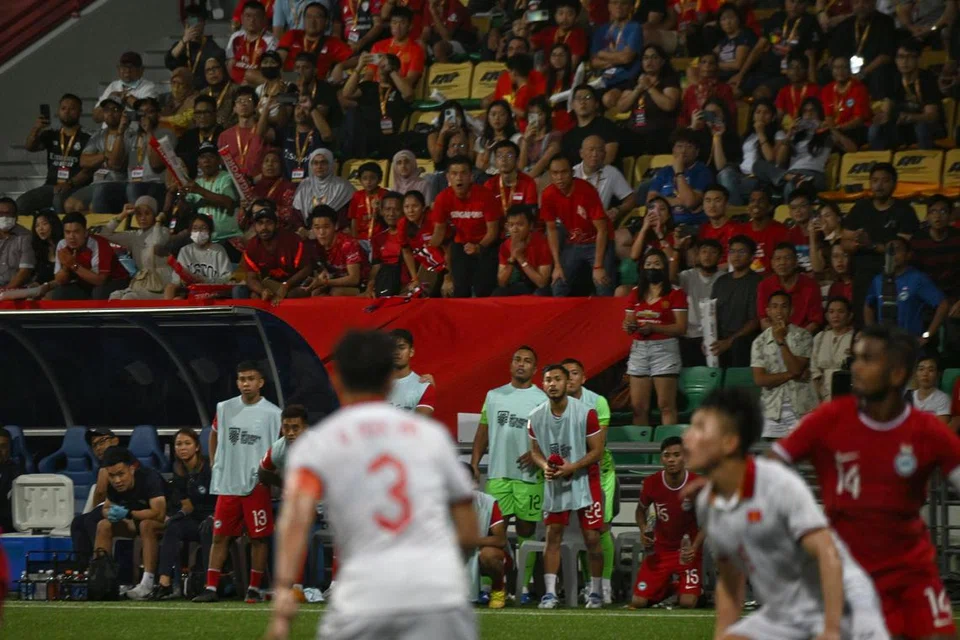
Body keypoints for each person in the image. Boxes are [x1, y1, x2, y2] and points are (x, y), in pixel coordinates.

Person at [264, 330, 478, 640]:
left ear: (337, 381)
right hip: (437, 597)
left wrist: (284, 591)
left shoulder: (319, 444)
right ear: (390, 381)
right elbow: (468, 532)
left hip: (364, 596)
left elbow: (295, 519)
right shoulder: (432, 437)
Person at [772, 324, 960, 638]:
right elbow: (770, 468)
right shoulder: (829, 418)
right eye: (855, 358)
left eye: (868, 359)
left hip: (911, 573)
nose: (856, 367)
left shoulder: (927, 431)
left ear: (897, 374)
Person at [686, 389, 889, 640]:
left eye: (699, 427)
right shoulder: (707, 504)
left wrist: (831, 630)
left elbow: (828, 554)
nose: (687, 437)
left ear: (730, 443)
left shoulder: (777, 483)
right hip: (784, 613)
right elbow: (730, 584)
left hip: (843, 602)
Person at [194, 361, 281, 604]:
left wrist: (272, 475)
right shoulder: (225, 408)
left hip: (256, 484)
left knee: (258, 538)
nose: (246, 383)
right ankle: (211, 588)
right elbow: (214, 434)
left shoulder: (274, 414)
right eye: (242, 379)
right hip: (229, 484)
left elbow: (280, 447)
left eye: (251, 379)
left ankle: (253, 588)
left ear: (261, 382)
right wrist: (214, 462)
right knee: (219, 536)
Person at [470, 346, 548, 604]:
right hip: (498, 474)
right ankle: (488, 587)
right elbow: (483, 431)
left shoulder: (542, 399)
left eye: (527, 361)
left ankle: (523, 587)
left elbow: (551, 434)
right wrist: (474, 463)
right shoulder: (494, 396)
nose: (521, 364)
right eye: (517, 360)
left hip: (529, 477)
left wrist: (538, 454)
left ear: (535, 369)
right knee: (492, 532)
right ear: (511, 365)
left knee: (526, 530)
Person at [527, 364, 605, 609]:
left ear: (567, 382)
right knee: (553, 535)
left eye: (557, 379)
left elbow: (598, 451)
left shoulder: (586, 413)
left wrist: (574, 466)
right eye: (548, 379)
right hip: (556, 481)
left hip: (585, 480)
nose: (552, 384)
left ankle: (596, 591)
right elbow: (534, 451)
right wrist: (544, 466)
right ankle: (550, 593)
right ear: (542, 385)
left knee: (592, 537)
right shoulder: (535, 417)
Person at [560, 358, 615, 603]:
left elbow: (597, 446)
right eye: (566, 374)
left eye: (575, 373)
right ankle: (589, 585)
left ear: (583, 378)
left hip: (599, 472)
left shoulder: (597, 402)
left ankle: (605, 586)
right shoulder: (553, 403)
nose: (570, 378)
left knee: (601, 528)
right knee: (582, 529)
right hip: (570, 472)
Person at [841, 163, 920, 325]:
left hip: (893, 278)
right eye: (875, 180)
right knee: (863, 326)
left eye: (885, 180)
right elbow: (844, 242)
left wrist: (870, 245)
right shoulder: (860, 208)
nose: (879, 185)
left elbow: (900, 251)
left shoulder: (904, 211)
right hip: (862, 277)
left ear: (894, 184)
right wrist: (856, 244)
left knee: (889, 326)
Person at [630, 436, 702, 610]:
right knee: (638, 602)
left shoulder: (696, 484)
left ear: (685, 457)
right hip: (660, 550)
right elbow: (640, 511)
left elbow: (709, 521)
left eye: (677, 455)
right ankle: (673, 589)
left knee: (687, 603)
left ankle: (692, 591)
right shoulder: (651, 483)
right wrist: (643, 529)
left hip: (686, 552)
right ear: (661, 458)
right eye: (667, 455)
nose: (671, 460)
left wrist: (694, 547)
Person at [624, 248, 688, 426]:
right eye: (648, 264)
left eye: (657, 264)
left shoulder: (676, 293)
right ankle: (642, 444)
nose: (652, 268)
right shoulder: (635, 293)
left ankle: (669, 442)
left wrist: (653, 327)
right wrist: (628, 325)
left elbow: (681, 328)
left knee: (666, 406)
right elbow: (629, 320)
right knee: (638, 407)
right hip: (639, 350)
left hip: (665, 349)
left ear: (664, 268)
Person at [94, 446, 166, 601]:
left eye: (121, 474)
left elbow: (159, 514)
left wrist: (128, 514)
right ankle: (102, 580)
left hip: (167, 523)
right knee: (103, 525)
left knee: (146, 525)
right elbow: (105, 508)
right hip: (136, 522)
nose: (117, 480)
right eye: (112, 476)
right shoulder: (113, 486)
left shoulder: (149, 478)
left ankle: (147, 583)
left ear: (132, 469)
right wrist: (109, 513)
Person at [151, 428, 215, 600]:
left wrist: (213, 516)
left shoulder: (209, 467)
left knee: (207, 529)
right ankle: (164, 583)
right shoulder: (178, 469)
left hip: (216, 517)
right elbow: (188, 506)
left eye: (187, 443)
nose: (183, 447)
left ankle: (209, 585)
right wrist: (177, 516)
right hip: (196, 517)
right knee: (173, 527)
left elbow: (223, 497)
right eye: (179, 444)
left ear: (197, 447)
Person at [542, 155, 614, 297]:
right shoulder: (548, 194)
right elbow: (551, 229)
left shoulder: (586, 191)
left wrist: (598, 266)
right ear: (550, 174)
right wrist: (557, 265)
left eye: (564, 172)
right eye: (555, 173)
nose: (559, 177)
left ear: (572, 172)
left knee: (602, 283)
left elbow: (602, 230)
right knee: (558, 283)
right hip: (575, 241)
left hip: (598, 241)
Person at [428, 155, 500, 298]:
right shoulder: (442, 198)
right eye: (454, 174)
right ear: (448, 177)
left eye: (463, 173)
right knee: (460, 290)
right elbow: (439, 232)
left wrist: (479, 247)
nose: (459, 178)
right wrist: (427, 250)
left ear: (471, 176)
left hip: (486, 245)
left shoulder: (485, 196)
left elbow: (493, 231)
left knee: (483, 290)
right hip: (461, 245)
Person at [752, 290, 817, 438]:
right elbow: (760, 379)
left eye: (784, 306)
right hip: (771, 411)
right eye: (774, 307)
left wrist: (781, 341)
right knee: (771, 451)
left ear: (791, 310)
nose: (779, 311)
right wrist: (792, 374)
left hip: (801, 409)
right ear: (768, 311)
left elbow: (796, 368)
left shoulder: (803, 336)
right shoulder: (759, 342)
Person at [731, 0, 823, 97]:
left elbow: (811, 56)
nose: (794, 6)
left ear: (806, 4)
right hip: (764, 70)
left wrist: (812, 86)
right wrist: (741, 74)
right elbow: (759, 48)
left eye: (800, 2)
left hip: (788, 75)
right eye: (791, 1)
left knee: (760, 93)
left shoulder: (810, 22)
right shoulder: (777, 17)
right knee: (732, 91)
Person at [18, 93, 91, 215]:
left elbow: (88, 170)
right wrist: (36, 128)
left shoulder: (87, 137)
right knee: (21, 203)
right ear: (58, 111)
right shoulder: (51, 134)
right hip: (51, 186)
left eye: (72, 108)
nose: (67, 112)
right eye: (63, 108)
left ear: (80, 112)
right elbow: (30, 147)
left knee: (58, 199)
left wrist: (69, 184)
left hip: (76, 187)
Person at [865, 236, 948, 341]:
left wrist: (926, 336)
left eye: (898, 250)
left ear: (908, 255)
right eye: (889, 251)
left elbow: (943, 305)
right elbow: (868, 305)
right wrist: (872, 335)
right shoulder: (878, 279)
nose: (893, 254)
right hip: (885, 343)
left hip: (908, 343)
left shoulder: (917, 278)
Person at [870, 40, 945, 150]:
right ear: (896, 60)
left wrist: (911, 117)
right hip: (904, 126)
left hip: (929, 126)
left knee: (921, 128)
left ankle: (926, 158)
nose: (904, 61)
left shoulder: (928, 79)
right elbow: (887, 107)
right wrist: (882, 116)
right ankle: (882, 158)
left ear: (918, 59)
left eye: (910, 57)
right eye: (901, 57)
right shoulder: (893, 79)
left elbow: (931, 116)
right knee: (875, 129)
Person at [340, 52, 414, 159]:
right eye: (380, 66)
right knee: (352, 113)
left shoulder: (400, 89)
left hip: (388, 135)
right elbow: (347, 93)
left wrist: (391, 71)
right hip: (364, 132)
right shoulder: (369, 86)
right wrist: (360, 66)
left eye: (384, 65)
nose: (381, 68)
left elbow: (408, 95)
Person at [614, 45, 682, 156]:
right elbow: (621, 107)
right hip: (634, 130)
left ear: (662, 61)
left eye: (654, 57)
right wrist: (638, 89)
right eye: (645, 58)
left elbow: (669, 105)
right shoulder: (635, 80)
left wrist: (649, 87)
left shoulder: (669, 80)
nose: (649, 61)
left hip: (659, 131)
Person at [238, 201, 312, 303]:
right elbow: (251, 278)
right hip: (271, 284)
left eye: (268, 222)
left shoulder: (292, 240)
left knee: (293, 294)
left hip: (294, 283)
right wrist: (262, 291)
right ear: (255, 226)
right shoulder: (252, 246)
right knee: (254, 295)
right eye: (260, 223)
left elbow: (307, 268)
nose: (264, 227)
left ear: (276, 225)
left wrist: (286, 285)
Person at [100, 197, 173, 301]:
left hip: (161, 281)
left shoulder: (163, 230)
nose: (142, 218)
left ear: (154, 215)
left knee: (129, 298)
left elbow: (157, 244)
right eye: (138, 214)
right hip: (142, 281)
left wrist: (158, 222)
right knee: (115, 296)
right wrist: (123, 214)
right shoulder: (134, 236)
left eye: (147, 213)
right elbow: (104, 234)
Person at [48, 212, 129, 300]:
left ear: (85, 232)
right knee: (59, 293)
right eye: (67, 232)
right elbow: (60, 280)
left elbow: (100, 280)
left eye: (76, 232)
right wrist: (65, 268)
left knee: (98, 293)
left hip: (115, 280)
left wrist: (73, 265)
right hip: (86, 282)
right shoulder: (62, 245)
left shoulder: (99, 244)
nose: (71, 237)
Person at [110, 97, 176, 205]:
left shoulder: (166, 134)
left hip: (156, 183)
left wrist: (149, 132)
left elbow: (156, 165)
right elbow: (115, 165)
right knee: (105, 190)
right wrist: (120, 131)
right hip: (132, 182)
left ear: (158, 114)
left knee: (132, 187)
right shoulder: (131, 135)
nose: (145, 116)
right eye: (141, 112)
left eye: (150, 112)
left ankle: (136, 216)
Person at [69, 429, 120, 564]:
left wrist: (96, 508)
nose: (98, 448)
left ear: (115, 440)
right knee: (78, 522)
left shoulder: (118, 456)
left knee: (92, 519)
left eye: (102, 442)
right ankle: (83, 567)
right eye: (94, 445)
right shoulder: (107, 462)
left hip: (130, 506)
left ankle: (102, 565)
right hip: (114, 505)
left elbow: (101, 491)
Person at [710, 234, 762, 368]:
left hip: (744, 343)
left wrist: (729, 342)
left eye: (741, 252)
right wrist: (708, 339)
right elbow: (711, 313)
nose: (736, 256)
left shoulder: (757, 282)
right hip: (719, 341)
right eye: (732, 251)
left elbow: (755, 320)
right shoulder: (721, 281)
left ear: (752, 257)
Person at [827, 0, 895, 99]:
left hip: (872, 68)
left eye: (865, 2)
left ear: (874, 3)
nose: (861, 6)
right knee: (825, 72)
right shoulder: (845, 24)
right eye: (856, 2)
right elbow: (836, 53)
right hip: (846, 69)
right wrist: (843, 70)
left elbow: (885, 55)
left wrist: (863, 73)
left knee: (881, 73)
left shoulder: (885, 22)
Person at [70, 98, 127, 215]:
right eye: (107, 110)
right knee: (70, 205)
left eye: (115, 109)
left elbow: (115, 164)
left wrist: (97, 158)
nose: (110, 113)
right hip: (97, 182)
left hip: (118, 182)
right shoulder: (98, 135)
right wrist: (105, 155)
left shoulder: (129, 134)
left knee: (93, 205)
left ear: (123, 112)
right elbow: (84, 161)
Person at [647, 129, 713, 229]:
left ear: (697, 152)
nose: (683, 151)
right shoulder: (665, 171)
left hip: (691, 225)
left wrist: (679, 173)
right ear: (673, 150)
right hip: (663, 224)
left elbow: (689, 202)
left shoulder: (703, 172)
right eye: (679, 146)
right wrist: (680, 201)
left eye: (689, 147)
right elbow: (650, 200)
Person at [183, 142, 241, 245]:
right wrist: (180, 196)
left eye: (211, 156)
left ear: (219, 160)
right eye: (202, 157)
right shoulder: (197, 182)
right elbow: (184, 211)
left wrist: (200, 190)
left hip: (229, 239)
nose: (206, 160)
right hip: (204, 240)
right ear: (198, 163)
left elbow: (228, 203)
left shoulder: (227, 178)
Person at [757, 243, 824, 333]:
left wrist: (796, 337)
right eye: (778, 259)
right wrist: (779, 336)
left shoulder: (811, 285)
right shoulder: (764, 285)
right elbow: (764, 320)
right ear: (772, 263)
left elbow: (815, 322)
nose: (782, 262)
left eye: (787, 258)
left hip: (803, 335)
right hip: (774, 335)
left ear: (796, 262)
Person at [165, 213, 233, 299]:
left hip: (213, 292)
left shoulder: (218, 250)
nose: (199, 232)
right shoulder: (185, 250)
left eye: (203, 228)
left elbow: (228, 278)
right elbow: (176, 279)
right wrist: (182, 281)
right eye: (195, 228)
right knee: (171, 291)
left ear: (210, 231)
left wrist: (205, 281)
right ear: (190, 231)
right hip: (191, 291)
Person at [589, 0, 642, 110]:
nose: (619, 6)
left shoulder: (635, 27)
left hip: (626, 79)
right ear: (609, 6)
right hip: (603, 79)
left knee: (608, 99)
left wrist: (602, 54)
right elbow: (594, 62)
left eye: (624, 3)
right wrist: (617, 58)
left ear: (631, 7)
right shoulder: (601, 30)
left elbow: (626, 58)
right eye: (615, 2)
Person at [306, 205, 370, 296]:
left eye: (326, 227)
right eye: (317, 228)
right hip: (334, 281)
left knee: (336, 292)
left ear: (336, 226)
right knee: (315, 293)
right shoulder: (315, 245)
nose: (321, 232)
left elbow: (354, 279)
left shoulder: (348, 244)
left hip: (362, 285)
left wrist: (324, 282)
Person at [679, 239, 723, 366]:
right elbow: (671, 278)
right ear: (698, 255)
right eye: (704, 252)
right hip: (689, 336)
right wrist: (676, 250)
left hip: (715, 336)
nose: (707, 256)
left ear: (720, 257)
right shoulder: (687, 276)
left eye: (713, 252)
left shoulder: (724, 278)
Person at [276, 2, 354, 76]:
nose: (312, 21)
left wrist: (340, 66)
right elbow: (278, 60)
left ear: (326, 22)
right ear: (303, 20)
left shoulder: (333, 43)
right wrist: (291, 78)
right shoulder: (293, 35)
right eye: (308, 17)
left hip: (319, 83)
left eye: (317, 17)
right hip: (289, 80)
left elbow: (356, 59)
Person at [911, 194, 960, 305]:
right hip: (926, 295)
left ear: (950, 215)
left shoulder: (957, 238)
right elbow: (914, 272)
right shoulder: (918, 239)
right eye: (933, 211)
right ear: (927, 216)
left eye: (943, 211)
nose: (938, 216)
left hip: (954, 295)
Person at [573, 136, 636, 221]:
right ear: (581, 153)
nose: (595, 154)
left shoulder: (611, 173)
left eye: (599, 150)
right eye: (591, 149)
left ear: (604, 154)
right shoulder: (572, 173)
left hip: (599, 223)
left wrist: (617, 210)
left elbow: (631, 199)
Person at [495, 205, 552, 297]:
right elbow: (502, 282)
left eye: (520, 225)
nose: (515, 229)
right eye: (511, 225)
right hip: (520, 284)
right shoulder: (505, 246)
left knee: (541, 293)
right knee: (498, 293)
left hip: (538, 286)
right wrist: (512, 258)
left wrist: (520, 258)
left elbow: (542, 283)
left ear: (531, 226)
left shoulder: (543, 244)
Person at [273, 94, 331, 183]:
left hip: (313, 185)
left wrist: (312, 108)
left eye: (305, 108)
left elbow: (327, 135)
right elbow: (260, 134)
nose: (301, 111)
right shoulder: (287, 132)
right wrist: (266, 109)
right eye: (298, 108)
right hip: (288, 186)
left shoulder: (318, 133)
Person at [165, 5, 226, 89]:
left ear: (204, 23)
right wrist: (184, 40)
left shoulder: (210, 46)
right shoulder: (181, 45)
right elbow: (169, 62)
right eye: (192, 21)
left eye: (198, 21)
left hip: (204, 89)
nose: (195, 25)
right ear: (185, 24)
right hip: (184, 89)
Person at [399, 190, 447, 295]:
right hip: (426, 262)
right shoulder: (402, 224)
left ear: (423, 207)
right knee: (416, 290)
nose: (410, 211)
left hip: (445, 260)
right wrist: (414, 278)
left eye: (415, 206)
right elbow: (406, 252)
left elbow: (447, 246)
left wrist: (449, 277)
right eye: (406, 207)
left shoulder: (432, 218)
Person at [560, 85, 620, 167]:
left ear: (596, 104)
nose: (582, 102)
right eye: (578, 98)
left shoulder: (607, 126)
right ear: (572, 105)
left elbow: (608, 158)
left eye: (587, 98)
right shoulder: (568, 137)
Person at [820, 55, 872, 148]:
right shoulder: (827, 89)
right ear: (832, 70)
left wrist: (839, 129)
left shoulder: (859, 88)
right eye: (836, 68)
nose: (840, 71)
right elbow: (829, 116)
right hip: (835, 130)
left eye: (844, 67)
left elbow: (858, 120)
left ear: (850, 69)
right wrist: (835, 131)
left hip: (855, 129)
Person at [94, 51, 160, 122]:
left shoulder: (149, 87)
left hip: (133, 129)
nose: (127, 70)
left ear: (141, 70)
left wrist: (127, 98)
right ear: (118, 69)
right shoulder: (113, 86)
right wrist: (109, 99)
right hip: (109, 129)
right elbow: (96, 118)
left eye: (131, 67)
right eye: (123, 66)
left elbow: (149, 116)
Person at [810, 296, 855, 401]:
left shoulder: (855, 337)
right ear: (826, 316)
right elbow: (814, 369)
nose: (836, 316)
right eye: (831, 312)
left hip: (848, 394)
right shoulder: (820, 337)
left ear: (849, 315)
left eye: (841, 311)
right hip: (822, 394)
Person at [292, 149, 355, 223]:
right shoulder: (305, 185)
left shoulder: (343, 186)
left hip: (336, 228)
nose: (319, 166)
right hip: (306, 228)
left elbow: (349, 214)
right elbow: (296, 213)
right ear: (310, 165)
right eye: (315, 163)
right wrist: (301, 227)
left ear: (330, 164)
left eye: (323, 162)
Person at [369, 6, 426, 87]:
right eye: (394, 23)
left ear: (410, 26)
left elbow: (409, 81)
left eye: (402, 23)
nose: (397, 27)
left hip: (398, 91)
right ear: (390, 24)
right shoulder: (378, 46)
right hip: (376, 90)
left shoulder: (417, 50)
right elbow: (369, 74)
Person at [218, 87, 267, 178]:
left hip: (258, 180)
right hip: (233, 181)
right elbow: (222, 165)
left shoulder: (263, 131)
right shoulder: (224, 135)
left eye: (248, 100)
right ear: (234, 108)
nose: (243, 104)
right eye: (239, 101)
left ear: (255, 106)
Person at [226, 1, 279, 85]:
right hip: (236, 85)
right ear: (242, 18)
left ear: (264, 19)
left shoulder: (271, 41)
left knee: (250, 74)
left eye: (256, 16)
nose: (252, 20)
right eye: (248, 16)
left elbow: (270, 71)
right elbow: (230, 63)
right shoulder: (235, 37)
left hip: (258, 85)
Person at [680, 53, 737, 129]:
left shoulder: (725, 89)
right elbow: (683, 116)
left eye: (711, 63)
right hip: (693, 130)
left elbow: (731, 115)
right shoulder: (691, 90)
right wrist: (689, 129)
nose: (707, 65)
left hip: (717, 130)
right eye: (704, 62)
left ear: (716, 67)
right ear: (699, 66)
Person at [387, 329, 437, 415]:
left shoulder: (424, 387)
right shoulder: (374, 385)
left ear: (411, 351)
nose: (396, 352)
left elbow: (419, 421)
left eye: (401, 348)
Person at [484, 141, 538, 220]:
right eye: (499, 156)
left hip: (519, 225)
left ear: (517, 160)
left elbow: (531, 214)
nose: (504, 159)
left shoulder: (528, 182)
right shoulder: (489, 184)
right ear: (495, 161)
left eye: (509, 155)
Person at [366, 191, 406, 296]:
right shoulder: (378, 238)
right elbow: (376, 265)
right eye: (387, 209)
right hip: (385, 282)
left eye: (396, 209)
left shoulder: (410, 235)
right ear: (382, 211)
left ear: (403, 211)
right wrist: (371, 285)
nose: (391, 214)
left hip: (406, 283)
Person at [248, 149, 299, 232]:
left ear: (281, 165)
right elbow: (241, 222)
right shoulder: (254, 188)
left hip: (280, 230)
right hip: (256, 230)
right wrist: (244, 209)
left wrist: (264, 208)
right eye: (266, 161)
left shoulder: (288, 187)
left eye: (274, 161)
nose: (270, 164)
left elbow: (289, 214)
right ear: (261, 166)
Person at [739, 187, 787, 274]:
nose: (755, 204)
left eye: (761, 201)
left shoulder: (781, 231)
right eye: (752, 201)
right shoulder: (741, 231)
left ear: (770, 207)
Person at [528, 0, 588, 68]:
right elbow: (531, 46)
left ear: (576, 17)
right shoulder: (548, 31)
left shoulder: (578, 34)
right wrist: (527, 26)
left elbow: (572, 65)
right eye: (561, 13)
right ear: (555, 16)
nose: (564, 18)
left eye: (570, 14)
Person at [348, 162, 387, 254]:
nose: (368, 182)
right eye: (365, 178)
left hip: (380, 238)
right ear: (360, 180)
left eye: (372, 178)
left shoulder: (384, 195)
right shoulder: (357, 196)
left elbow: (389, 217)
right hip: (361, 238)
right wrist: (354, 239)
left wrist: (379, 211)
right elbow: (353, 219)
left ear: (380, 179)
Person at [697, 184, 741, 264]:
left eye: (717, 201)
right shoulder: (703, 229)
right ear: (703, 205)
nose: (712, 205)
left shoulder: (736, 229)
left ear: (726, 204)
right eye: (708, 201)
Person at [714, 3, 757, 82]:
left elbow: (737, 65)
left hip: (739, 77)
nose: (727, 22)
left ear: (739, 18)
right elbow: (711, 55)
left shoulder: (745, 35)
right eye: (723, 19)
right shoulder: (723, 41)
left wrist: (714, 65)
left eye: (731, 18)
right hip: (721, 75)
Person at [774, 53, 821, 124]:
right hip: (789, 128)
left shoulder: (815, 89)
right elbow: (779, 115)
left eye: (800, 67)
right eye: (792, 67)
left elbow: (819, 115)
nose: (795, 71)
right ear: (787, 71)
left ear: (806, 70)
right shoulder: (784, 91)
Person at [0, 198, 35, 290]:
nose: (4, 217)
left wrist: (5, 290)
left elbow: (25, 271)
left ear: (16, 216)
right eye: (0, 214)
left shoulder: (25, 236)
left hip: (16, 288)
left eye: (8, 213)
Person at [910, 352, 952, 423]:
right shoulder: (908, 396)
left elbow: (940, 427)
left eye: (931, 370)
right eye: (921, 369)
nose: (925, 374)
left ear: (938, 374)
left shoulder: (943, 399)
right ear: (916, 373)